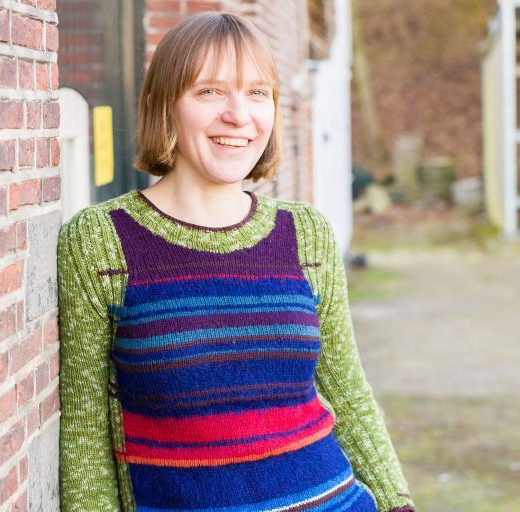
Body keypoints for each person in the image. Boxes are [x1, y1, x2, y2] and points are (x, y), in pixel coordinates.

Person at [57, 11, 414, 512]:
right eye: (209, 91)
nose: (239, 115)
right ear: (164, 105)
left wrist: (398, 503)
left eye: (257, 92)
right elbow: (87, 429)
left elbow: (348, 392)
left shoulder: (304, 234)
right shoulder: (101, 242)